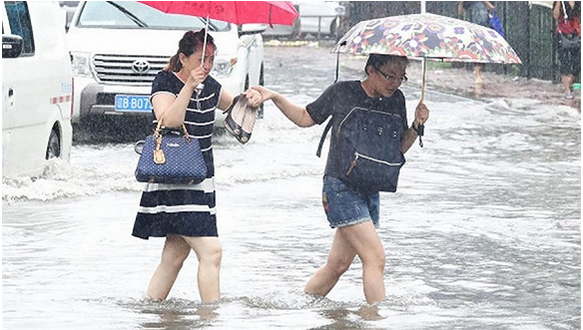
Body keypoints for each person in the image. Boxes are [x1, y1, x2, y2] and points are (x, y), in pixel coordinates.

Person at [252, 54, 429, 304]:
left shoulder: (396, 100)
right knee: (375, 258)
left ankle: (300, 307)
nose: (395, 83)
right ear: (370, 70)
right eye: (390, 76)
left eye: (401, 78)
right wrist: (275, 97)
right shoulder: (343, 92)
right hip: (340, 187)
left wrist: (417, 125)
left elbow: (398, 149)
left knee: (338, 265)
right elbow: (305, 118)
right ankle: (374, 319)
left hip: (371, 188)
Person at [131, 29, 263, 303]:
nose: (207, 65)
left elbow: (234, 107)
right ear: (183, 58)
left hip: (202, 176)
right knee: (211, 252)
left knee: (175, 254)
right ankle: (210, 318)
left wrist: (252, 98)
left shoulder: (211, 86)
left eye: (212, 59)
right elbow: (167, 121)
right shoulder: (165, 81)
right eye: (202, 59)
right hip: (175, 174)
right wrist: (189, 86)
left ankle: (151, 312)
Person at [458, 1, 496, 84]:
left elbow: (492, 8)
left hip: (484, 24)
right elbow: (461, 11)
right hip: (475, 25)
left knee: (483, 48)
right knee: (477, 48)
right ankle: (477, 73)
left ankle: (478, 71)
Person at [553, 1, 581, 99]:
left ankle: (569, 83)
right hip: (562, 34)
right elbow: (555, 16)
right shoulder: (561, 2)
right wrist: (558, 2)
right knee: (564, 62)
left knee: (578, 62)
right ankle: (566, 90)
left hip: (575, 34)